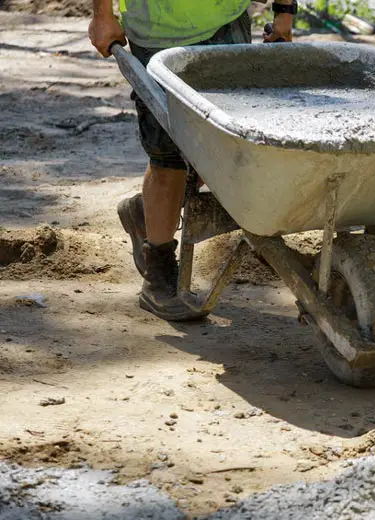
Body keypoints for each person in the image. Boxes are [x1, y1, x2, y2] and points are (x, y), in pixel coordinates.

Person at [88, 0, 296, 320]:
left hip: (227, 24)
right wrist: (102, 15)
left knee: (215, 149)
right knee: (169, 155)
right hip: (158, 34)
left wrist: (284, 11)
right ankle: (158, 276)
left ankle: (146, 213)